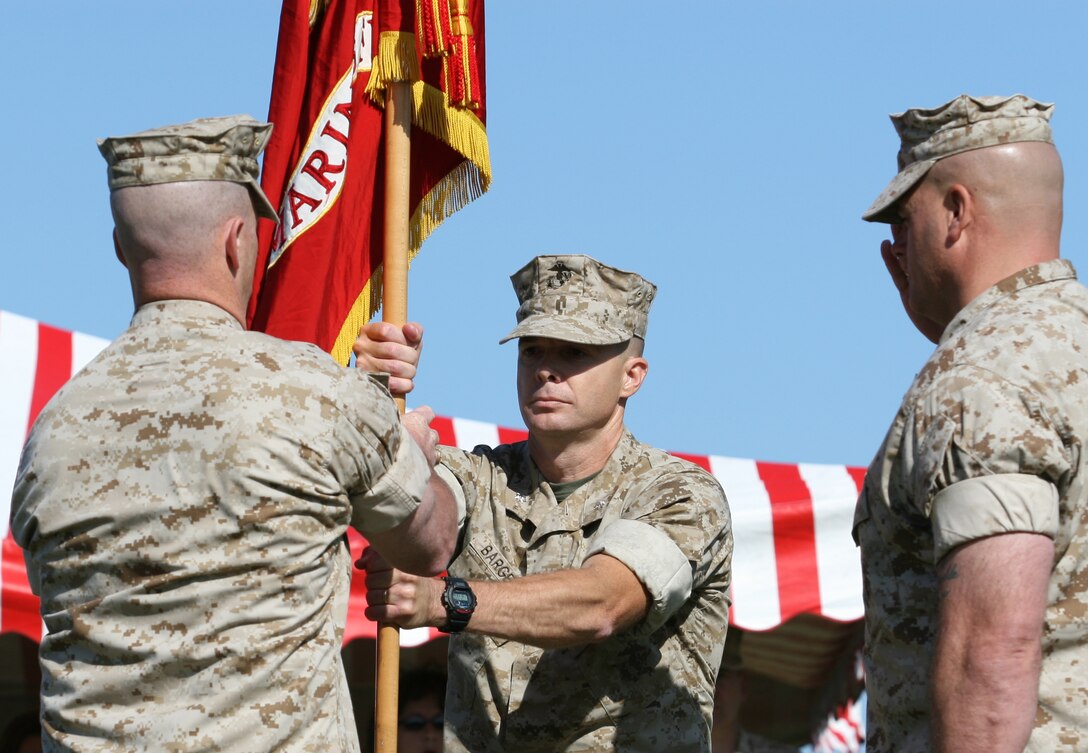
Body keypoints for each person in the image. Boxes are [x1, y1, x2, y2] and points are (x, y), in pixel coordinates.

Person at [10, 115, 457, 752]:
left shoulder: (52, 431)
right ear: (237, 241)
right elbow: (430, 544)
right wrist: (402, 444)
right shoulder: (313, 395)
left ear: (119, 247)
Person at [355, 253, 734, 752]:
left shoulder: (679, 493)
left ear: (632, 375)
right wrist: (371, 400)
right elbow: (423, 534)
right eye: (533, 351)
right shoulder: (479, 476)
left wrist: (444, 601)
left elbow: (602, 604)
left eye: (575, 353)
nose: (547, 371)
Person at [855, 93, 1088, 751]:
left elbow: (992, 648)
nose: (896, 245)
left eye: (903, 219)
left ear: (956, 211)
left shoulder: (982, 374)